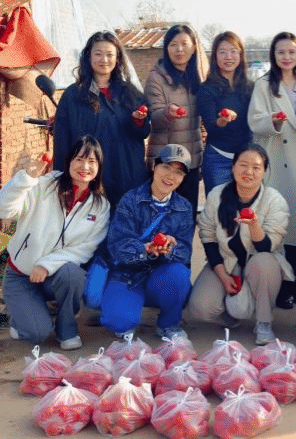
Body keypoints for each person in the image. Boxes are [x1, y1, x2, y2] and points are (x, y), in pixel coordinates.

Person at [0, 135, 109, 349]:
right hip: (21, 274)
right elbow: (5, 210)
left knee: (73, 274)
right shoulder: (44, 185)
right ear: (68, 161)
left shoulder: (99, 206)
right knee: (37, 333)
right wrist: (26, 180)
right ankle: (20, 314)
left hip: (52, 276)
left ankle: (66, 328)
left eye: (91, 161)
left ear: (99, 167)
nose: (85, 167)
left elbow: (84, 249)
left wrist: (46, 265)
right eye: (79, 159)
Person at [187, 144, 293, 345]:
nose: (249, 172)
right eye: (243, 165)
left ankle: (264, 321)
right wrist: (222, 276)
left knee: (264, 262)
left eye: (256, 167)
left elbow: (266, 247)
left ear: (264, 171)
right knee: (200, 308)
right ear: (233, 166)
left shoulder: (274, 200)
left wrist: (254, 226)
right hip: (227, 260)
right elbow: (208, 237)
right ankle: (230, 314)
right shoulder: (217, 195)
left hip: (261, 264)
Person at [100, 144, 195, 340]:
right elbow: (117, 246)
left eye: (178, 172)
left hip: (159, 275)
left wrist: (170, 249)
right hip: (127, 275)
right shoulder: (131, 200)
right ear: (154, 166)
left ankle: (169, 324)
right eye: (166, 167)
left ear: (184, 177)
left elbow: (185, 252)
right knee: (119, 322)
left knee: (179, 275)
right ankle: (127, 307)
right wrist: (145, 249)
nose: (170, 176)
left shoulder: (184, 207)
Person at [248, 31, 296, 308]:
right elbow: (254, 120)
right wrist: (273, 120)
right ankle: (282, 286)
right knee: (279, 227)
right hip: (279, 160)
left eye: (291, 52)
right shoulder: (264, 85)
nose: (286, 57)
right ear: (273, 56)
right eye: (281, 52)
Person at [53, 31, 150, 210]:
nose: (104, 60)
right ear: (88, 57)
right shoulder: (73, 96)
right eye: (98, 54)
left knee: (124, 221)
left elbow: (143, 133)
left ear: (117, 58)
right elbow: (62, 141)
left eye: (109, 54)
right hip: (89, 176)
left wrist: (138, 122)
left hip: (126, 174)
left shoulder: (130, 93)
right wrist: (61, 179)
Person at [144, 24, 209, 214]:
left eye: (184, 44)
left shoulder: (198, 77)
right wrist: (167, 113)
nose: (179, 49)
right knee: (161, 217)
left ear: (194, 47)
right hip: (165, 162)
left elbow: (201, 122)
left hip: (191, 162)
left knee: (187, 216)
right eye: (173, 44)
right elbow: (153, 119)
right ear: (166, 49)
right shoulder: (157, 78)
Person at [197, 31, 253, 195]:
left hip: (246, 159)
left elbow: (256, 121)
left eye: (233, 51)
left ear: (241, 55)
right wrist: (222, 120)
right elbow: (211, 127)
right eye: (222, 52)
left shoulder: (251, 87)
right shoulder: (206, 89)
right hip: (218, 158)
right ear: (215, 56)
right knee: (219, 207)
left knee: (247, 208)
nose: (228, 57)